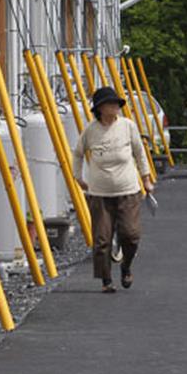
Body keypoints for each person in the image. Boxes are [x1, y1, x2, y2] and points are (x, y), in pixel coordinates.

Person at [73, 86, 154, 293]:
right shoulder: (91, 131)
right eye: (111, 104)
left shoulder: (128, 126)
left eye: (117, 104)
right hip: (100, 193)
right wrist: (78, 177)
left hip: (128, 189)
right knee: (102, 239)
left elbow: (139, 152)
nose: (115, 107)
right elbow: (78, 153)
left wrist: (146, 178)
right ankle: (106, 280)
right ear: (100, 108)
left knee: (131, 234)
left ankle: (126, 265)